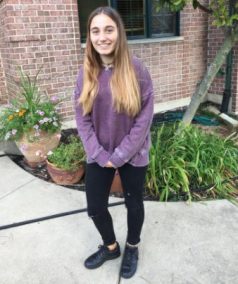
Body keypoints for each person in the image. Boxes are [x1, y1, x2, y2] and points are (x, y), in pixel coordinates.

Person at [74, 6, 154, 279]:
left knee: (134, 202)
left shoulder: (137, 69)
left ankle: (132, 246)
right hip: (98, 153)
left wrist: (119, 156)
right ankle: (111, 247)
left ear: (119, 33)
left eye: (109, 29)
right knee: (95, 206)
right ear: (90, 36)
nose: (102, 36)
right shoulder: (85, 72)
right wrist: (98, 153)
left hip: (133, 152)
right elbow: (81, 118)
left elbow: (144, 118)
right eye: (96, 30)